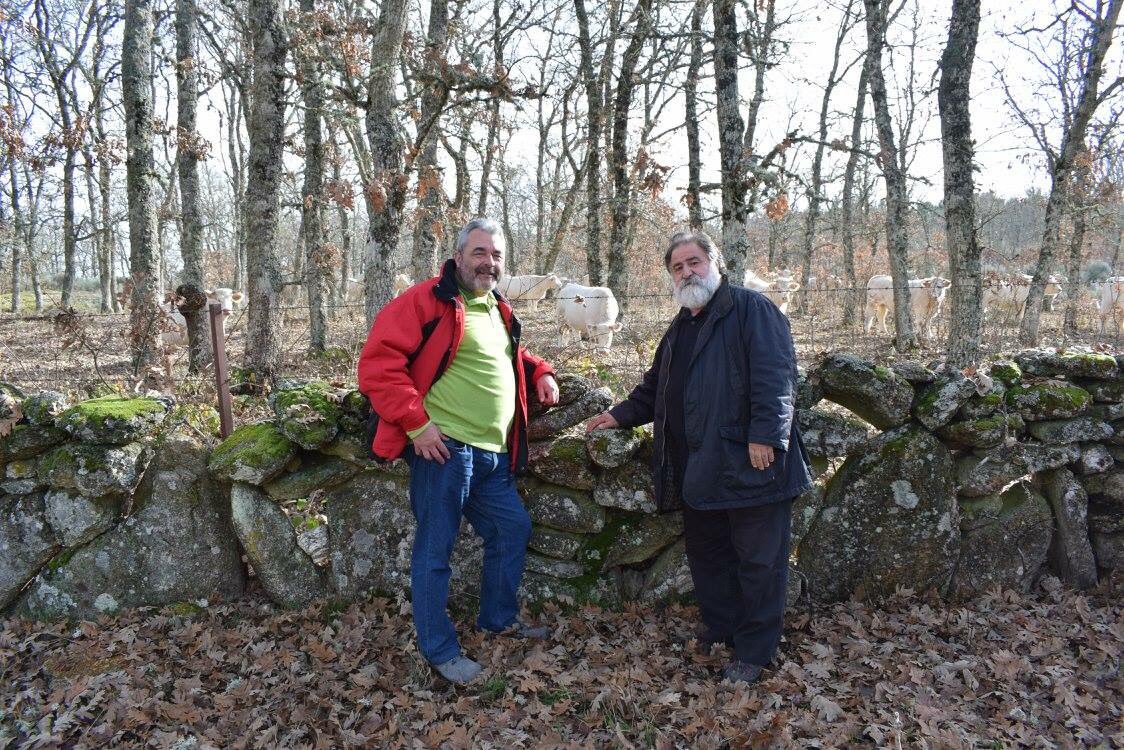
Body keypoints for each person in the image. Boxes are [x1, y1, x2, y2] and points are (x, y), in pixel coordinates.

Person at [586, 230, 811, 684]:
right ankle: (722, 628)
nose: (686, 272)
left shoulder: (752, 310)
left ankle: (754, 651)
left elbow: (777, 376)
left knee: (759, 561)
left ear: (715, 263)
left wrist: (765, 435)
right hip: (700, 468)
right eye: (677, 267)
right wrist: (619, 415)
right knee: (709, 556)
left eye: (694, 262)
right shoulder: (679, 328)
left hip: (753, 464)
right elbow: (655, 389)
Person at [358, 217, 560, 684]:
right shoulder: (428, 299)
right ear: (458, 256)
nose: (489, 262)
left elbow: (507, 355)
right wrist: (418, 425)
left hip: (493, 455)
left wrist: (541, 371)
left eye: (496, 255)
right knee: (435, 549)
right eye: (479, 253)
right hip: (444, 450)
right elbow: (378, 365)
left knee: (512, 528)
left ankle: (497, 621)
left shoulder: (496, 307)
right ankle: (440, 651)